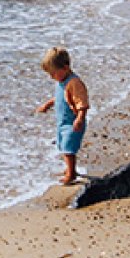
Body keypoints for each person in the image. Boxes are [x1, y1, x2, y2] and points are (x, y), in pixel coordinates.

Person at [35, 46, 90, 185]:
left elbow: (82, 102)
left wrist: (80, 118)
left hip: (73, 122)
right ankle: (70, 170)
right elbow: (60, 98)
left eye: (53, 73)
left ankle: (71, 174)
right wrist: (47, 105)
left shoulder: (74, 83)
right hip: (62, 122)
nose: (52, 77)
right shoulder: (61, 81)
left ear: (65, 68)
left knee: (68, 148)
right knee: (62, 145)